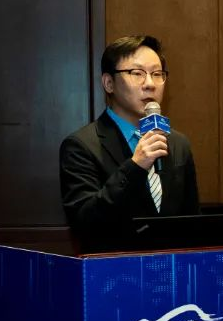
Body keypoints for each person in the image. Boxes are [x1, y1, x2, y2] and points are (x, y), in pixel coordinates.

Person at [60, 35, 199, 251]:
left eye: (157, 74)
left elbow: (192, 223)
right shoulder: (81, 146)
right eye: (137, 73)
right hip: (114, 267)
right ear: (109, 83)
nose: (150, 84)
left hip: (170, 267)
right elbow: (85, 222)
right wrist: (135, 166)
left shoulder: (178, 144)